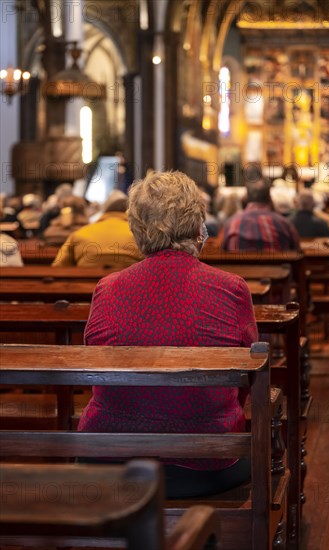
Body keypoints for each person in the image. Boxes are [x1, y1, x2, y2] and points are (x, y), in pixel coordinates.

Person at [78, 170, 258, 498]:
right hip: (205, 460)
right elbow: (247, 377)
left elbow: (98, 374)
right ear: (197, 223)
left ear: (136, 228)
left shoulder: (107, 289)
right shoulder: (231, 289)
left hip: (112, 459)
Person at [52, 194, 142, 268]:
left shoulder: (79, 233)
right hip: (128, 288)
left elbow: (58, 267)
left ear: (106, 212)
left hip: (84, 287)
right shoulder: (139, 235)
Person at [222, 180, 300, 252]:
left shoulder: (230, 224)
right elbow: (297, 254)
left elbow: (222, 253)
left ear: (246, 198)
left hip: (237, 267)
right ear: (270, 198)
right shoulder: (284, 225)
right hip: (275, 267)